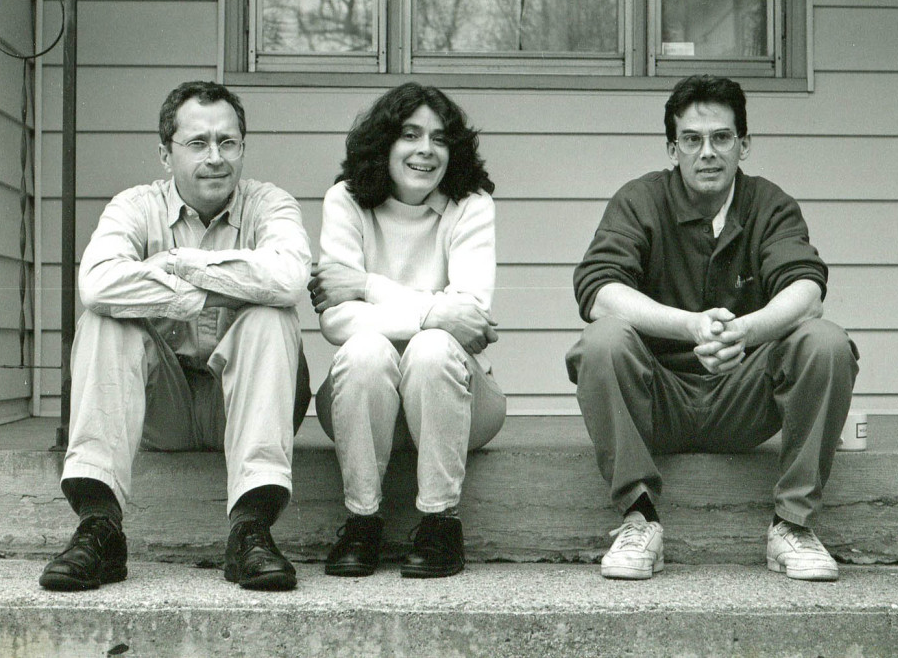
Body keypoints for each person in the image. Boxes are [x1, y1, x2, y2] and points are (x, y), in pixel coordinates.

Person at [565, 75, 859, 582]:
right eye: (692, 139)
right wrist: (690, 327)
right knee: (602, 340)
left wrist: (743, 332)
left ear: (744, 145)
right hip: (659, 399)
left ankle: (792, 526)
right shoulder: (639, 199)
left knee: (826, 341)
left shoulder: (769, 203)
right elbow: (598, 290)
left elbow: (807, 290)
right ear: (671, 147)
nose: (707, 152)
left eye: (722, 138)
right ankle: (640, 520)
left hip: (744, 398)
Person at [39, 81, 312, 592]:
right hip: (161, 408)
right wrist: (218, 290)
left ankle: (250, 530)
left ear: (243, 149)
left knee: (273, 316)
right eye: (197, 143)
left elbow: (289, 279)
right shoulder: (135, 207)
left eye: (228, 143)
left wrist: (178, 264)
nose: (215, 158)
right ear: (165, 154)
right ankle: (99, 527)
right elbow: (97, 283)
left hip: (244, 405)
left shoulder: (270, 204)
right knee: (104, 318)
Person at [310, 82, 506, 579]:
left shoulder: (472, 205)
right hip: (361, 401)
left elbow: (470, 318)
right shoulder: (345, 201)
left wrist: (364, 285)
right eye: (410, 135)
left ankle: (440, 522)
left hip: (458, 403)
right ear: (384, 143)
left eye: (439, 139)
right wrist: (435, 312)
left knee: (434, 348)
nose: (425, 150)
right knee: (368, 351)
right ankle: (362, 522)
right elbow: (335, 319)